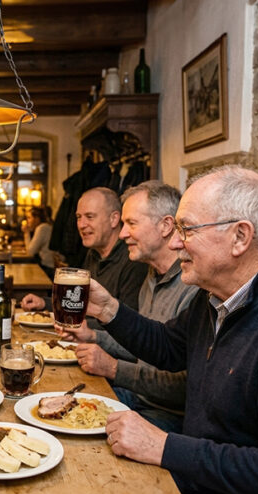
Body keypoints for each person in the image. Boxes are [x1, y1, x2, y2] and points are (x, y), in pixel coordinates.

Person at [65, 166, 258, 494]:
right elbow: (170, 348)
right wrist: (109, 309)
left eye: (187, 228)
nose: (174, 242)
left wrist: (165, 447)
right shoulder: (215, 296)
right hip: (205, 484)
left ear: (240, 237)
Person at [59, 181, 197, 433]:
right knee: (58, 401)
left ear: (166, 226)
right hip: (137, 396)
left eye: (131, 224)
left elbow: (186, 386)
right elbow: (144, 349)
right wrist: (93, 335)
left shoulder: (193, 288)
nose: (122, 234)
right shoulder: (152, 275)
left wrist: (113, 368)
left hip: (168, 415)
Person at [22, 187, 148, 314]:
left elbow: (126, 326)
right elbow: (80, 302)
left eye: (89, 216)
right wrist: (45, 303)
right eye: (78, 217)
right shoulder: (93, 253)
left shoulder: (133, 260)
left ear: (114, 219)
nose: (81, 225)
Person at [22, 206, 55, 278]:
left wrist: (26, 232)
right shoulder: (46, 226)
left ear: (37, 218)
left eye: (29, 217)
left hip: (49, 269)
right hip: (49, 267)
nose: (27, 221)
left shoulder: (42, 228)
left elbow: (30, 252)